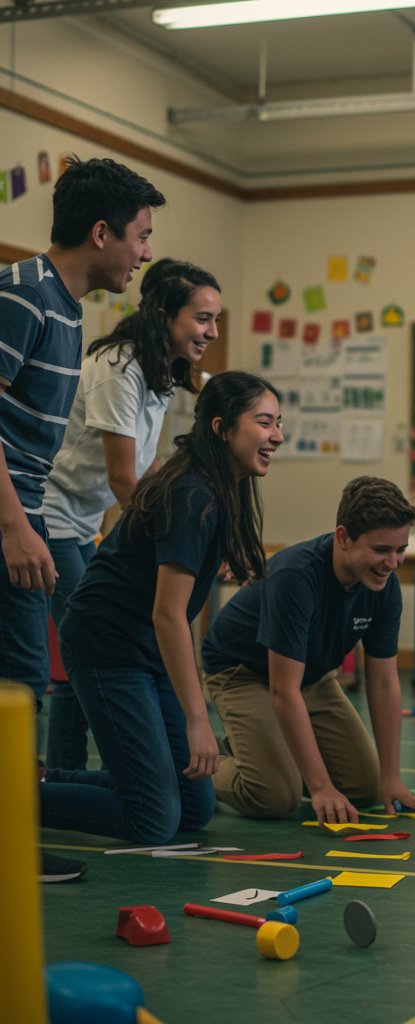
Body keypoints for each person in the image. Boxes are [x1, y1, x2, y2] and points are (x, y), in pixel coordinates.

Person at [0, 156, 164, 881]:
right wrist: (15, 525)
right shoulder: (25, 294)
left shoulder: (67, 309)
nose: (145, 253)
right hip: (13, 520)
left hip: (24, 514)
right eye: (139, 235)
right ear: (101, 233)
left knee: (26, 677)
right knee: (20, 679)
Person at [39, 372, 283, 845]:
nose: (277, 435)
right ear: (221, 427)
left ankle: (49, 783)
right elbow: (168, 615)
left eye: (278, 424)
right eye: (265, 422)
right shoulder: (192, 492)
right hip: (108, 649)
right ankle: (17, 798)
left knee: (193, 808)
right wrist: (199, 719)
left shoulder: (218, 487)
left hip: (145, 651)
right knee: (150, 819)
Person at [43, 258, 222, 771]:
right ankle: (63, 777)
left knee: (82, 645)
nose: (211, 331)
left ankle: (66, 773)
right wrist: (167, 539)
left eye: (215, 321)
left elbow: (150, 463)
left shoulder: (158, 369)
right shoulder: (118, 367)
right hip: (51, 516)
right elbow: (124, 477)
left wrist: (182, 511)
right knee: (86, 638)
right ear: (165, 314)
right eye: (202, 319)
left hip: (83, 522)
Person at [200, 476, 415, 824]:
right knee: (275, 795)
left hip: (312, 677)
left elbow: (385, 683)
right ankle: (196, 763)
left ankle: (254, 747)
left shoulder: (384, 586)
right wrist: (321, 787)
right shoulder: (295, 577)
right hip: (244, 674)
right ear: (344, 538)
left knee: (366, 790)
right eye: (380, 550)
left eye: (400, 549)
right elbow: (283, 691)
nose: (392, 562)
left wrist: (391, 779)